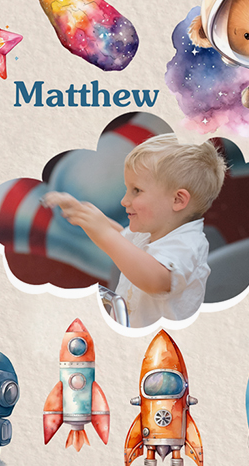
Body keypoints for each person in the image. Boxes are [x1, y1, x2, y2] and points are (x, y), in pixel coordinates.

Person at [43, 134, 225, 328]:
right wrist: (85, 214)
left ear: (177, 200)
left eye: (136, 190)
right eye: (127, 189)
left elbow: (155, 280)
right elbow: (124, 242)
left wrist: (104, 233)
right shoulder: (151, 231)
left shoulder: (187, 244)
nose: (124, 201)